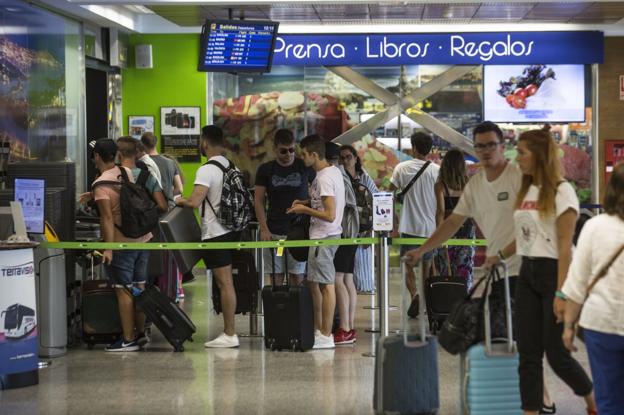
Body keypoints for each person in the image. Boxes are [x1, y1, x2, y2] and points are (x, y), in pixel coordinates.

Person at [404, 122, 556, 413]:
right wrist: (424, 249)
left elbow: (531, 226)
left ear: (502, 146)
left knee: (520, 337)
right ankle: (519, 396)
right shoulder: (475, 185)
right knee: (500, 334)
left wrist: (502, 254)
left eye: (491, 144)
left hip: (527, 269)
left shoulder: (519, 177)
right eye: (480, 146)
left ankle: (540, 400)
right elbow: (451, 222)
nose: (486, 151)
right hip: (499, 272)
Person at [512, 129, 596, 415]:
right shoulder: (526, 190)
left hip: (554, 275)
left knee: (556, 354)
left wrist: (562, 294)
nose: (517, 158)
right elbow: (528, 234)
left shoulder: (563, 191)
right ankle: (530, 411)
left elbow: (564, 249)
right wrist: (499, 255)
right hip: (527, 272)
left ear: (539, 155)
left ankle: (592, 401)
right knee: (528, 354)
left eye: (522, 152)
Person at [90, 138, 166, 352]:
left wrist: (108, 248)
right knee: (139, 286)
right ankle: (140, 333)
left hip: (122, 244)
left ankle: (128, 339)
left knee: (122, 289)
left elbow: (106, 218)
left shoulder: (101, 184)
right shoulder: (126, 172)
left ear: (97, 157)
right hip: (142, 240)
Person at [562, 163, 624, 415]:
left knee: (609, 401)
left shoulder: (595, 227)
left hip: (601, 324)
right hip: (603, 324)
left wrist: (567, 326)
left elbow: (577, 282)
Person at [176, 125, 242, 348]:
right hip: (231, 231)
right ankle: (229, 332)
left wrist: (177, 200)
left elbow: (194, 201)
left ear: (204, 142)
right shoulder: (229, 164)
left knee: (225, 284)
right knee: (227, 283)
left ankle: (230, 333)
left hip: (216, 233)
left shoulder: (206, 170)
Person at [286, 134, 345, 349]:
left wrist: (304, 209)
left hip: (324, 237)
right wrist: (305, 201)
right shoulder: (332, 173)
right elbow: (325, 202)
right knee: (316, 284)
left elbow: (329, 213)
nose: (301, 158)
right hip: (324, 236)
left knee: (326, 286)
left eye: (303, 154)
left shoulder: (323, 178)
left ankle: (326, 333)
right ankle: (320, 329)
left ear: (314, 154)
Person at [254, 129, 315, 286]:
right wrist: (264, 229)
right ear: (275, 149)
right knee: (276, 276)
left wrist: (306, 204)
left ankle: (297, 309)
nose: (288, 154)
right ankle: (278, 309)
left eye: (291, 150)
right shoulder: (266, 170)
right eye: (283, 151)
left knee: (297, 276)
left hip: (299, 232)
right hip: (275, 233)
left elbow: (319, 196)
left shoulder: (304, 166)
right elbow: (258, 200)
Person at [390, 131, 439, 317]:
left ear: (414, 148)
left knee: (407, 264)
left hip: (408, 225)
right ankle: (424, 300)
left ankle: (415, 294)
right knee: (427, 265)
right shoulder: (436, 170)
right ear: (429, 149)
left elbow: (389, 194)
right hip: (430, 227)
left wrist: (394, 218)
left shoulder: (401, 168)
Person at [141, 132, 185, 300]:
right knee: (169, 255)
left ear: (142, 145)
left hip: (150, 214)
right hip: (169, 215)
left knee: (150, 254)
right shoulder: (169, 162)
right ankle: (172, 290)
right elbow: (179, 189)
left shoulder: (143, 163)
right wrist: (167, 194)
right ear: (156, 143)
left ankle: (150, 290)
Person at [433, 148, 475, 287]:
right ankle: (463, 298)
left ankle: (447, 300)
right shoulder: (469, 184)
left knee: (446, 270)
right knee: (464, 267)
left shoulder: (440, 186)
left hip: (447, 230)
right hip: (466, 231)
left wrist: (439, 236)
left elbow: (440, 212)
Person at [340, 145, 378, 294]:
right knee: (347, 266)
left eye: (348, 157)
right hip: (345, 227)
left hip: (363, 226)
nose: (345, 161)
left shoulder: (364, 176)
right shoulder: (338, 177)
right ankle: (351, 289)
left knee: (363, 261)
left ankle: (363, 287)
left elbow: (376, 195)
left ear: (356, 158)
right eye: (342, 158)